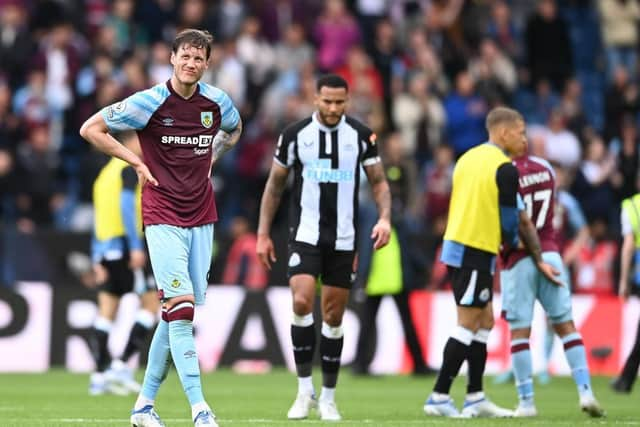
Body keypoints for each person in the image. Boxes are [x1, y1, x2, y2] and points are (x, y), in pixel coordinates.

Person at [80, 29, 243, 427]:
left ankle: (142, 406)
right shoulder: (148, 102)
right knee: (182, 310)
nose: (191, 64)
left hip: (202, 215)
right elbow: (91, 129)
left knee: (174, 315)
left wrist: (212, 158)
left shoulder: (217, 102)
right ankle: (200, 408)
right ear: (171, 58)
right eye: (184, 56)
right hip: (161, 214)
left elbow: (234, 129)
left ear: (207, 64)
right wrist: (135, 162)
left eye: (198, 59)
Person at [256, 74, 391, 421]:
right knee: (301, 301)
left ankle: (328, 397)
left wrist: (384, 218)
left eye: (339, 102)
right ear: (315, 99)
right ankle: (304, 391)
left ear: (347, 101)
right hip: (304, 234)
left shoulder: (361, 136)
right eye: (327, 101)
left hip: (343, 240)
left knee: (333, 316)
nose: (333, 107)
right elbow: (274, 186)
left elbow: (379, 182)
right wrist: (262, 233)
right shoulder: (294, 135)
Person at [423, 107, 560, 418]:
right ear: (503, 133)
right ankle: (439, 395)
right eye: (521, 132)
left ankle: (475, 396)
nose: (525, 139)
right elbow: (512, 220)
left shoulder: (467, 158)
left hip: (460, 245)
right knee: (468, 322)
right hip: (474, 249)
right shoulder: (505, 168)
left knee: (484, 321)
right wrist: (513, 244)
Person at [500, 151, 605, 417]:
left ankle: (526, 401)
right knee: (564, 324)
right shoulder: (553, 184)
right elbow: (582, 230)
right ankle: (585, 392)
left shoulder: (506, 174)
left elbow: (513, 220)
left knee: (520, 330)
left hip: (521, 257)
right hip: (552, 254)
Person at [88, 134, 159, 397]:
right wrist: (136, 245)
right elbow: (127, 206)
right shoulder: (129, 168)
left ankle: (99, 375)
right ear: (127, 142)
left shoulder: (104, 174)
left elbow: (97, 217)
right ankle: (120, 365)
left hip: (106, 248)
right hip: (128, 246)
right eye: (139, 140)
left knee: (107, 310)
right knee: (151, 304)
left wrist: (96, 255)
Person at [611, 189, 640, 393]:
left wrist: (623, 281)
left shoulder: (631, 206)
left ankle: (625, 379)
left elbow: (628, 245)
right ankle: (625, 379)